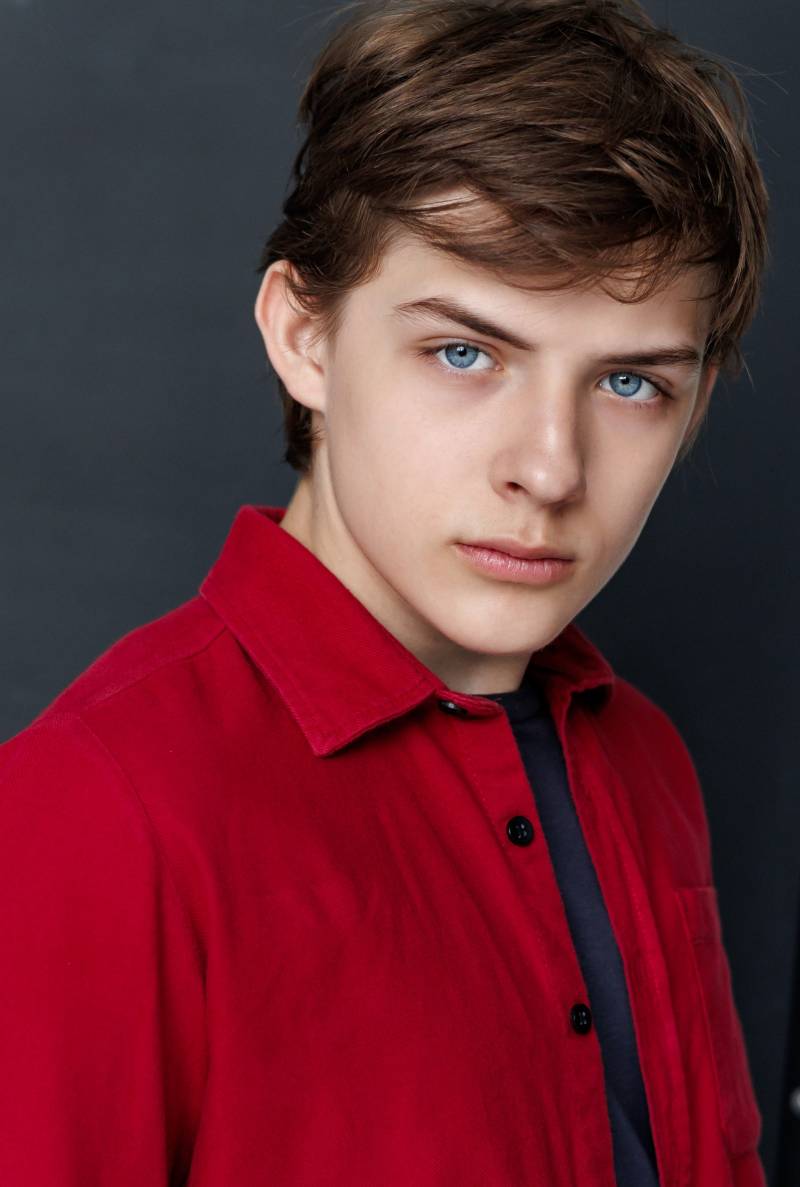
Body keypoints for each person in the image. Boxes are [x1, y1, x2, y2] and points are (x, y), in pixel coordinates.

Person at [0, 0, 770, 1184]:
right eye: (464, 352)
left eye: (627, 383)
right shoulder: (92, 811)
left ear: (695, 399)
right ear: (303, 337)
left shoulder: (645, 764)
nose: (549, 470)